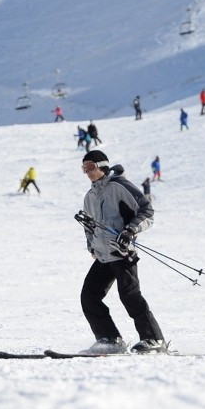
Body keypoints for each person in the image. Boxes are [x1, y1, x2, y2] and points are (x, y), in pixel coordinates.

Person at [77, 150, 165, 354]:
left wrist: (129, 231)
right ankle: (110, 340)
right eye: (84, 168)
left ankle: (154, 339)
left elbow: (146, 211)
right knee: (89, 296)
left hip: (122, 252)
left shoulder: (119, 186)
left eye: (90, 167)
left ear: (102, 165)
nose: (87, 172)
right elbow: (89, 227)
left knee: (129, 295)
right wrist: (92, 245)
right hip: (103, 256)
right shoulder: (90, 196)